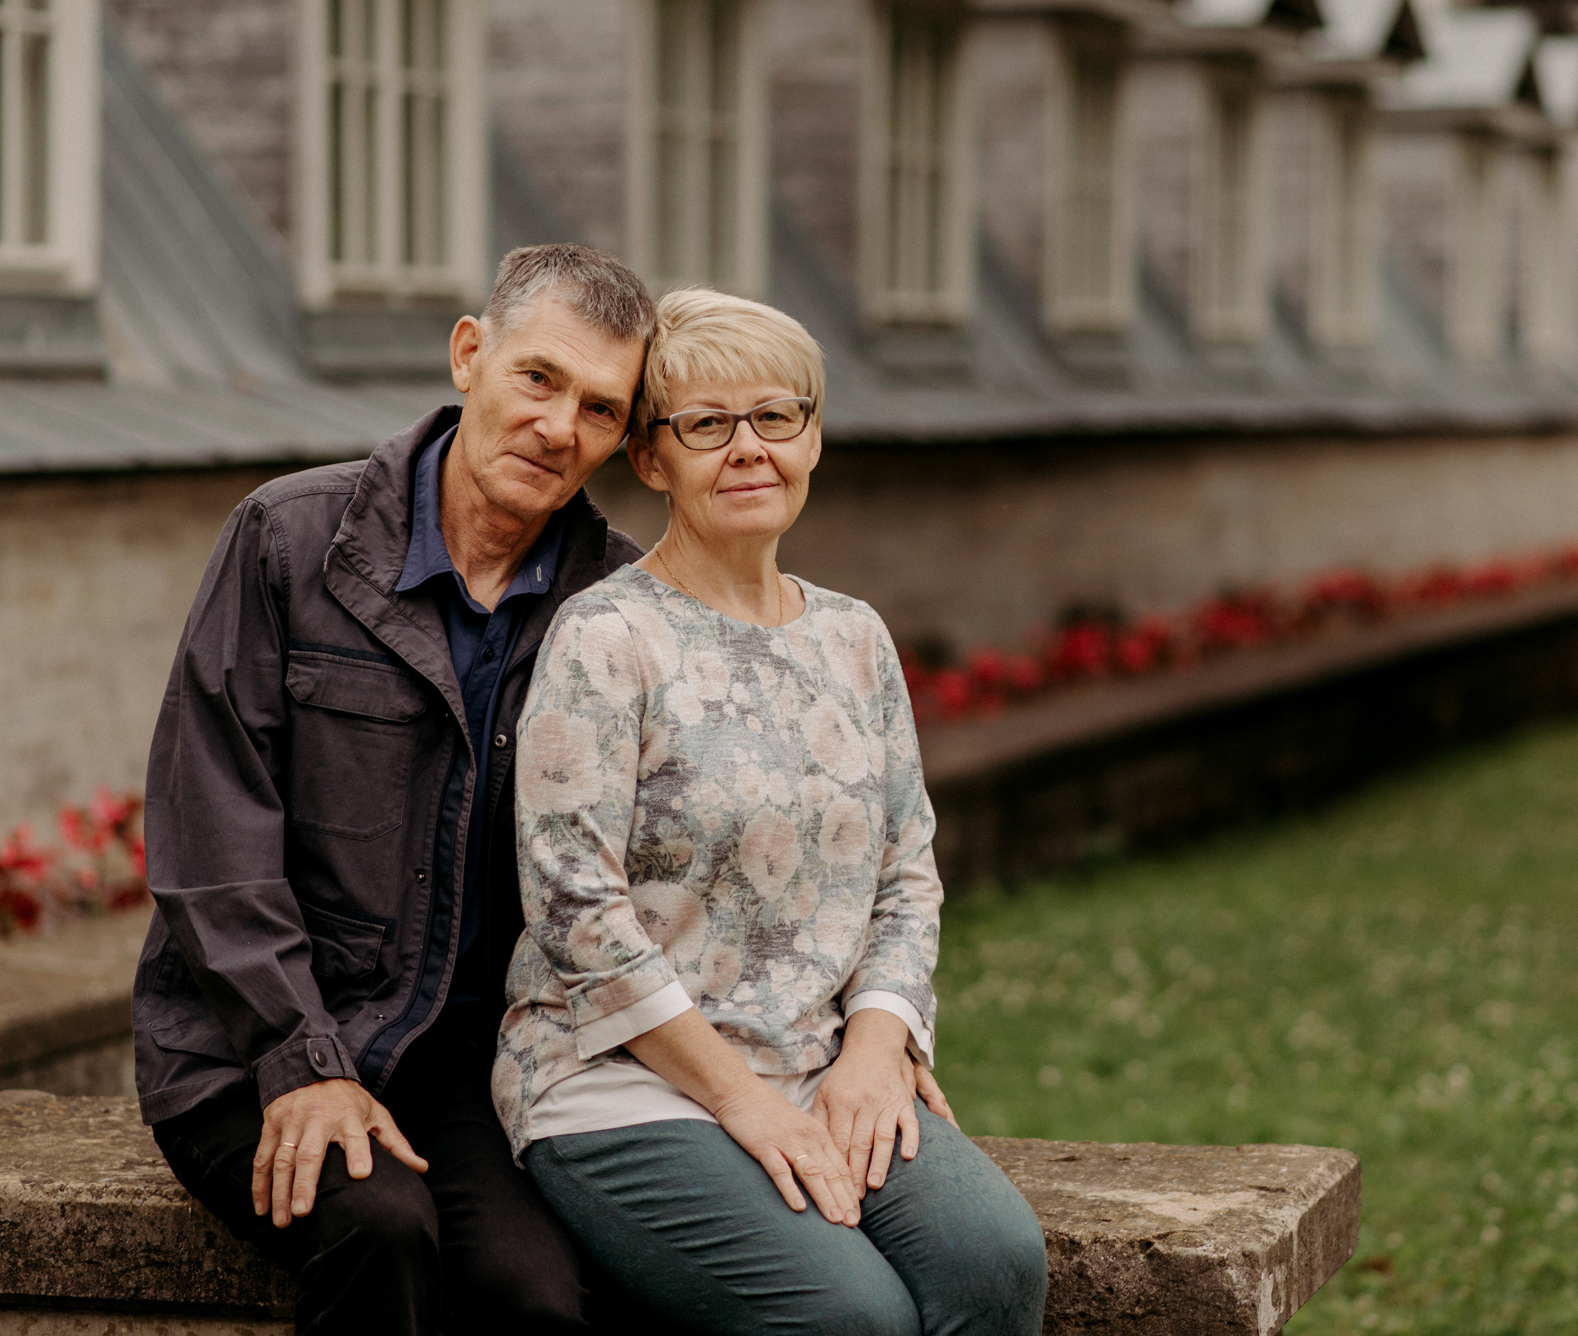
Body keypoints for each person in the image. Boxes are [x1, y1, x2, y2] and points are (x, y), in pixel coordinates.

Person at [498, 287, 1050, 1336]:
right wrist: (741, 1100)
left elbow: (907, 872)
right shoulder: (608, 638)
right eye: (707, 425)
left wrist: (877, 1051)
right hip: (623, 1078)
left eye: (776, 417)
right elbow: (575, 906)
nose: (749, 449)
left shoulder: (854, 638)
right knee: (848, 1319)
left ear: (814, 436)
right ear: (653, 461)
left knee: (994, 1263)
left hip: (821, 1062)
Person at [133, 244, 656, 1336]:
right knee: (379, 1227)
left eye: (601, 409)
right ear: (470, 354)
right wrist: (302, 1061)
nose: (561, 429)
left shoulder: (615, 606)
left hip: (461, 1065)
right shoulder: (290, 540)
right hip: (246, 1043)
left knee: (539, 1297)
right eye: (539, 379)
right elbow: (210, 830)